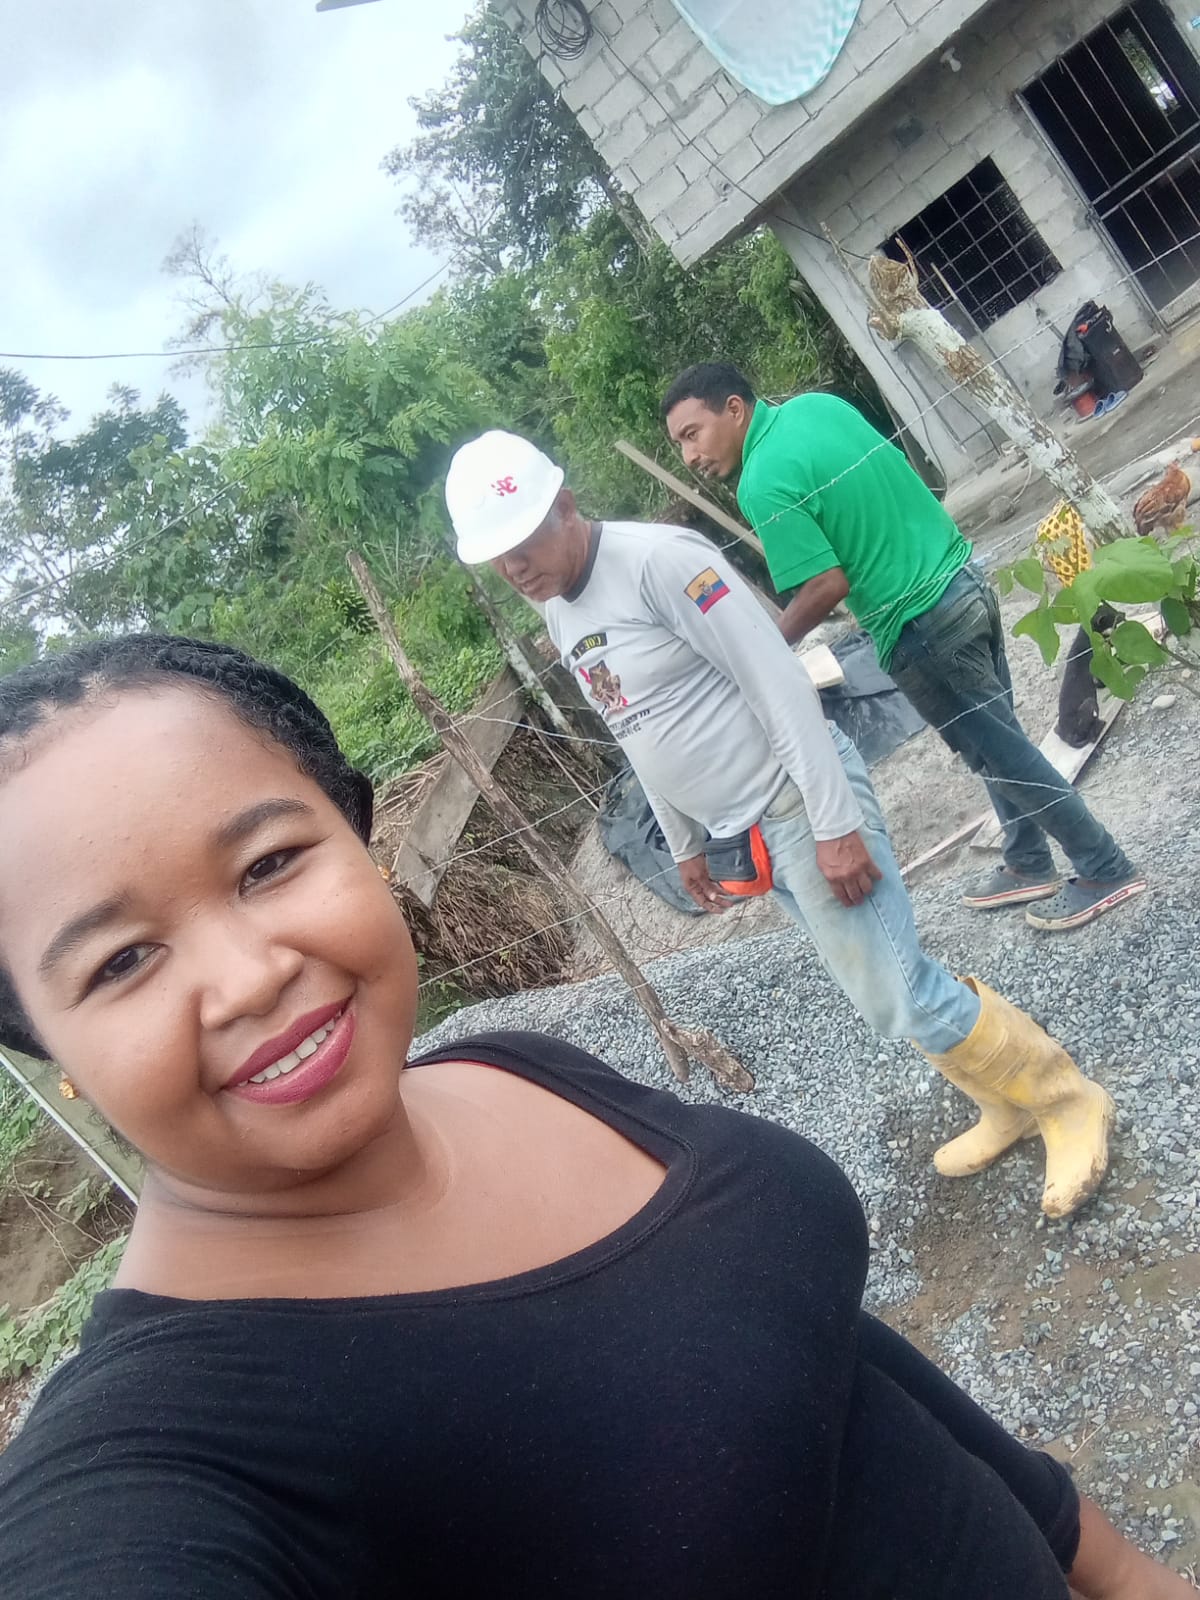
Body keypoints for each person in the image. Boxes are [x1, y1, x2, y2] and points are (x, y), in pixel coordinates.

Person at [0, 634, 1189, 1600]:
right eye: (121, 961)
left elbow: (827, 1354)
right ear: (52, 1051)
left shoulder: (514, 1067)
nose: (249, 977)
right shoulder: (164, 1444)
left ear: (357, 839)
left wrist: (1112, 1565)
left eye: (267, 864)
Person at [446, 432, 1118, 1221]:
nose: (514, 566)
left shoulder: (662, 563)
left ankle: (1067, 1099)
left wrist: (835, 822)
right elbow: (634, 724)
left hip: (798, 802)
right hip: (749, 825)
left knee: (897, 990)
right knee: (881, 986)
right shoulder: (559, 610)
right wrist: (686, 842)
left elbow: (778, 679)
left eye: (523, 541)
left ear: (564, 505)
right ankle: (1005, 1104)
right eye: (496, 556)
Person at [661, 363, 1146, 934]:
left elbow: (825, 585)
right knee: (999, 739)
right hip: (964, 579)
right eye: (679, 445)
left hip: (920, 624)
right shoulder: (817, 407)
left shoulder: (761, 481)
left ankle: (1103, 867)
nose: (690, 456)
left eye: (692, 434)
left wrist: (757, 653)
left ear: (734, 409)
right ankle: (1027, 861)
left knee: (1001, 753)